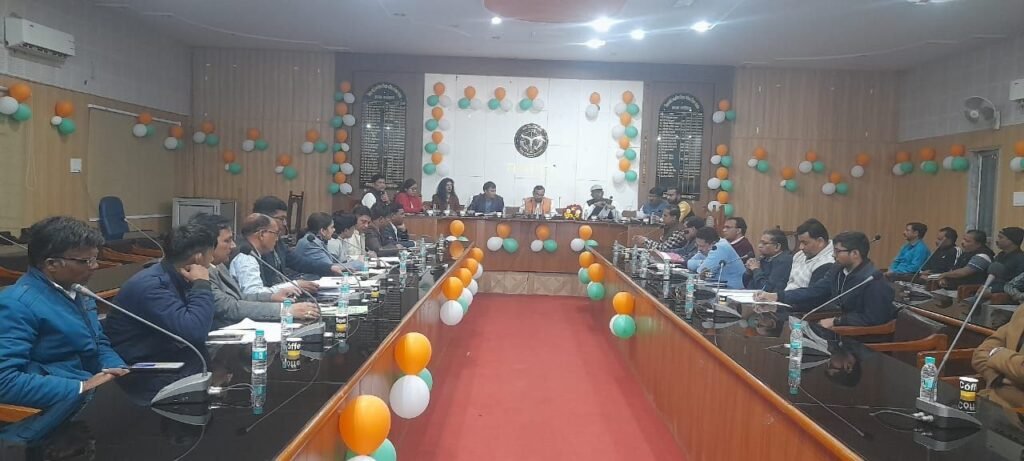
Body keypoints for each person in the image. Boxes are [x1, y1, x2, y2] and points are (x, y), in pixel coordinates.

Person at [0, 217, 128, 442]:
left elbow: (98, 343)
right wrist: (80, 386)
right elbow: (5, 382)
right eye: (86, 261)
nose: (95, 266)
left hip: (89, 399)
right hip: (52, 415)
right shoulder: (16, 304)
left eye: (95, 258)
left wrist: (115, 367)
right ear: (52, 264)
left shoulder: (78, 291)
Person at [106, 223, 218, 365]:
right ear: (198, 259)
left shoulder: (175, 275)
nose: (212, 260)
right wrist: (201, 284)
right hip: (143, 367)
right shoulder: (152, 287)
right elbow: (195, 333)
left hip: (169, 356)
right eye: (211, 255)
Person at [189, 213, 318, 329]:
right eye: (227, 241)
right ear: (208, 243)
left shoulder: (218, 265)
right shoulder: (199, 271)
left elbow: (240, 296)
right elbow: (229, 307)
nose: (233, 245)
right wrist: (285, 310)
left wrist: (271, 297)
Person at [757, 231, 896, 328]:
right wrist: (778, 297)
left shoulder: (873, 280)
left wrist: (837, 321)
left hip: (865, 339)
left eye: (837, 251)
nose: (833, 255)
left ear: (855, 253)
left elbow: (874, 318)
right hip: (841, 328)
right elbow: (815, 291)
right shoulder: (838, 269)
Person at [252, 196, 329, 285]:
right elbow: (261, 288)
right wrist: (294, 285)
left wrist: (329, 268)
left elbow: (299, 262)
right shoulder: (250, 250)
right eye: (281, 219)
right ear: (263, 219)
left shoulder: (278, 242)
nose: (285, 223)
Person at [231, 214, 312, 296]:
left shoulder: (253, 253)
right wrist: (294, 285)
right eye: (276, 233)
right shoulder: (246, 257)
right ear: (262, 234)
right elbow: (254, 293)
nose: (277, 239)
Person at [972, 306, 1024, 408]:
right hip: (993, 399)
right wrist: (997, 378)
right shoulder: (1022, 311)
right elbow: (980, 353)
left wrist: (997, 353)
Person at [291, 212, 346, 277]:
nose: (334, 230)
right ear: (323, 231)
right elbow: (329, 267)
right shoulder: (311, 243)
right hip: (305, 281)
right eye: (332, 227)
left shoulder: (316, 240)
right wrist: (355, 265)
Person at [785, 219, 835, 291]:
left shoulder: (829, 262)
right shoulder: (799, 255)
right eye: (800, 242)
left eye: (805, 243)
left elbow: (813, 294)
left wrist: (780, 295)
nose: (800, 247)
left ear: (820, 241)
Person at [746, 229, 793, 293]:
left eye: (764, 243)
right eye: (760, 242)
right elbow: (748, 285)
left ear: (777, 247)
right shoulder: (765, 258)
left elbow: (766, 288)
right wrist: (749, 271)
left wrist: (756, 270)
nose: (759, 246)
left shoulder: (784, 261)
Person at [992, 227, 1024, 293]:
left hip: (1005, 294)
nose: (997, 240)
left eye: (1001, 238)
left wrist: (992, 290)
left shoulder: (1021, 259)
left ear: (1012, 241)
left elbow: (1018, 284)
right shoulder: (1000, 255)